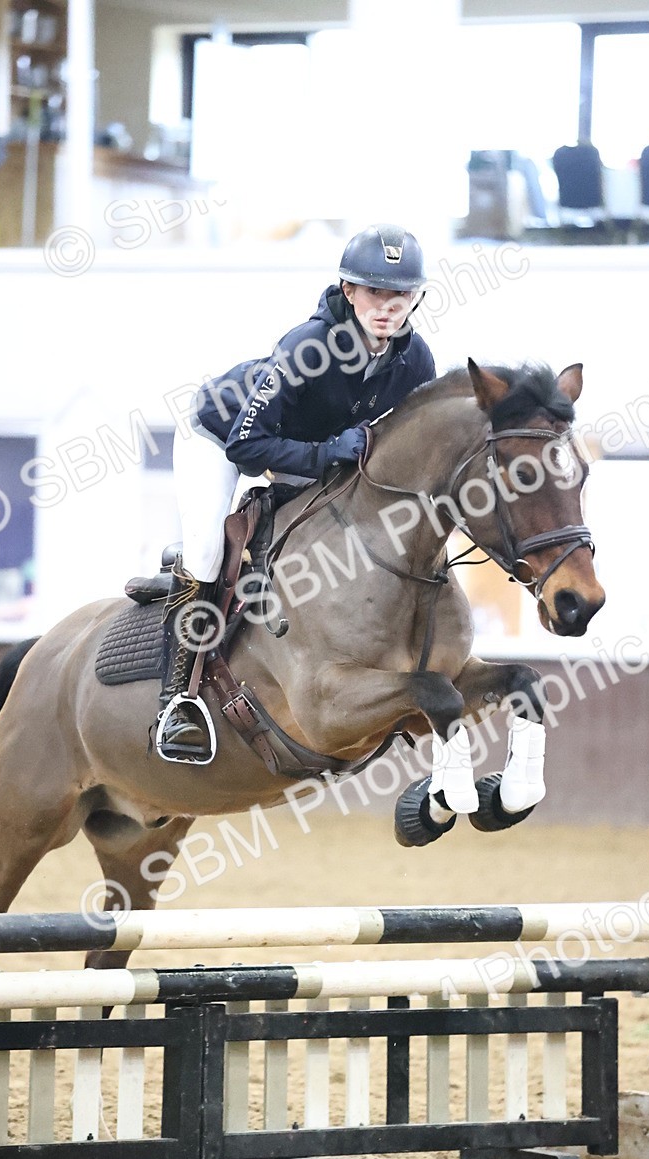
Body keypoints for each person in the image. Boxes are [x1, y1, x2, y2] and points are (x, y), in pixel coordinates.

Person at [156, 223, 436, 762]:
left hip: (304, 449)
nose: (387, 307)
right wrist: (330, 451)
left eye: (400, 295)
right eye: (375, 292)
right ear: (349, 291)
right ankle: (178, 700)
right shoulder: (307, 345)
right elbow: (246, 444)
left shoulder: (414, 359)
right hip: (218, 438)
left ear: (416, 298)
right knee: (209, 551)